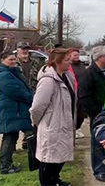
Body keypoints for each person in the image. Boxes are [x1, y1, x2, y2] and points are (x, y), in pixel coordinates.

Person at [30, 48, 76, 186]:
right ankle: (47, 183)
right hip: (52, 124)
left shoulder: (67, 76)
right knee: (48, 158)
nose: (70, 63)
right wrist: (36, 122)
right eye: (67, 60)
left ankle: (55, 180)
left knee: (60, 156)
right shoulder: (48, 81)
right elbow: (38, 106)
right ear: (57, 62)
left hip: (64, 123)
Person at [0, 51, 33, 174]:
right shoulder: (4, 75)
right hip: (9, 111)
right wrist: (32, 98)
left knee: (11, 137)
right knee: (9, 138)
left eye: (15, 59)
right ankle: (5, 166)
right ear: (3, 60)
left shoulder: (11, 73)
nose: (14, 62)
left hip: (13, 111)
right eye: (11, 60)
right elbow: (15, 92)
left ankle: (6, 164)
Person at [79, 45, 105, 182]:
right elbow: (84, 96)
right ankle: (99, 169)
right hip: (98, 114)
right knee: (98, 142)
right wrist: (95, 112)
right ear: (100, 58)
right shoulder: (89, 74)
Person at [15, 42, 41, 149]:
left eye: (27, 49)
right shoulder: (14, 62)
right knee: (16, 119)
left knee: (31, 118)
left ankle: (28, 141)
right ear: (18, 50)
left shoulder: (35, 63)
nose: (25, 51)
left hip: (33, 94)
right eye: (23, 49)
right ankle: (12, 146)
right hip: (18, 94)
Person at [68, 48, 87, 139]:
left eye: (77, 55)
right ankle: (72, 129)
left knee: (82, 113)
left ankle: (78, 128)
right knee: (73, 111)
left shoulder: (81, 65)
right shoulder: (68, 66)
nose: (77, 57)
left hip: (82, 90)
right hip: (73, 91)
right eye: (74, 55)